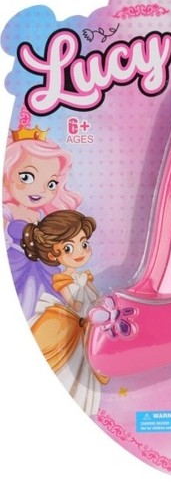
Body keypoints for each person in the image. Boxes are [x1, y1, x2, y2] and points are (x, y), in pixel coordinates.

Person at [22, 210, 107, 416]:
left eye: (84, 244)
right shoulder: (63, 279)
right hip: (72, 320)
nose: (80, 252)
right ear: (53, 255)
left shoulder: (84, 276)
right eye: (69, 248)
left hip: (88, 318)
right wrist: (78, 304)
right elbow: (72, 299)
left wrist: (99, 302)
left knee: (86, 360)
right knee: (71, 361)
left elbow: (94, 293)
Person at [3, 126, 81, 318]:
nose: (41, 190)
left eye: (51, 184)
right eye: (27, 177)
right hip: (16, 268)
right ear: (6, 175)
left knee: (47, 303)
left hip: (41, 267)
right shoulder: (7, 211)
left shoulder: (39, 216)